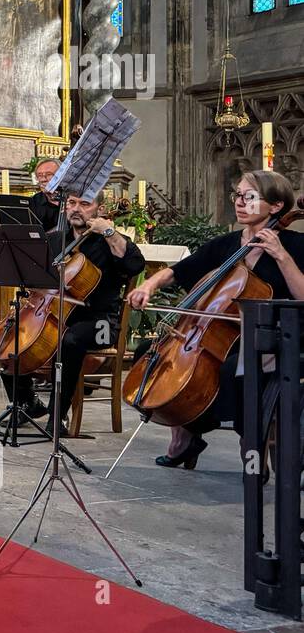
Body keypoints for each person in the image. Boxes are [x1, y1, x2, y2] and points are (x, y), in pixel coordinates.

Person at [128, 170, 304, 469]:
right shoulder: (226, 244)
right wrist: (148, 285)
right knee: (150, 351)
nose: (239, 202)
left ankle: (248, 443)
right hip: (226, 335)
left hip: (275, 335)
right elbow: (179, 271)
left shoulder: (295, 244)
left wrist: (281, 256)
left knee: (232, 369)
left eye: (249, 197)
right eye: (237, 195)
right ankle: (185, 433)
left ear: (276, 207)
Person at [0, 189, 145, 428]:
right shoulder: (56, 240)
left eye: (85, 204)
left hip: (101, 322)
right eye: (72, 203)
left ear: (99, 210)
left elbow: (135, 264)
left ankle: (58, 417)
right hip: (56, 316)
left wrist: (108, 231)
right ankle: (26, 403)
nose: (76, 208)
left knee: (70, 340)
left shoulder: (109, 242)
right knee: (12, 336)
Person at [28, 157, 61, 231]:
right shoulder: (33, 202)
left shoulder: (73, 200)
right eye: (39, 175)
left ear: (61, 175)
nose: (43, 179)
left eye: (49, 174)